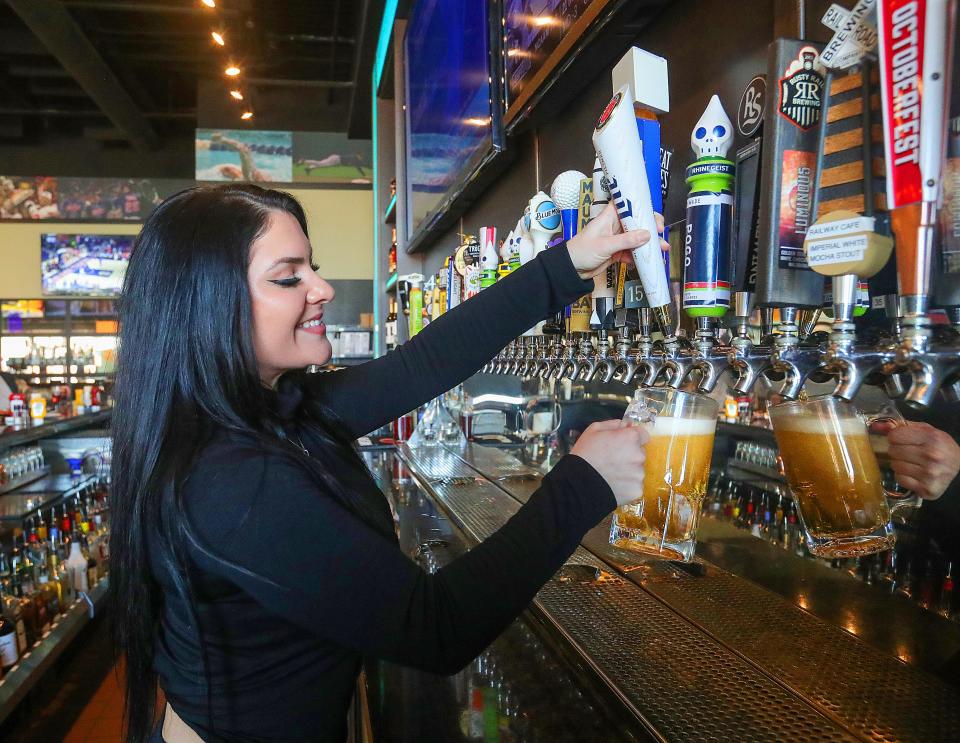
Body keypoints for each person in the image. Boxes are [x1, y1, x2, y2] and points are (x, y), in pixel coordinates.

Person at [110, 183, 663, 742]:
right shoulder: (228, 479)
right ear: (205, 305)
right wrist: (584, 484)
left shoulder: (270, 410)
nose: (321, 288)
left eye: (312, 268)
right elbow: (435, 628)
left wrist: (570, 262)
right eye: (288, 277)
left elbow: (421, 365)